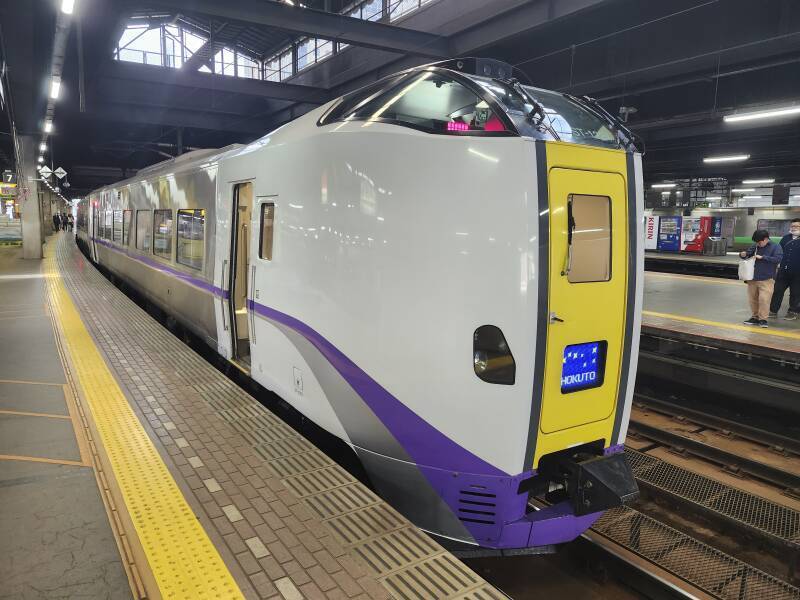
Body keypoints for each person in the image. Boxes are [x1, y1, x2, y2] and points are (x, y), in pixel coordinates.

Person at [740, 229, 783, 328]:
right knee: (753, 299)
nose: (758, 244)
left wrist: (763, 257)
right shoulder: (755, 245)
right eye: (756, 242)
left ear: (766, 239)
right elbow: (748, 254)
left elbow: (778, 259)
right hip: (752, 278)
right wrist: (743, 254)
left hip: (767, 278)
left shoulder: (776, 247)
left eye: (760, 242)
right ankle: (755, 317)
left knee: (764, 299)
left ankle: (763, 319)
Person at [769, 218, 800, 321]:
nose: (794, 228)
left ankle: (792, 312)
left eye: (796, 226)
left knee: (795, 293)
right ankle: (773, 311)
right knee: (777, 291)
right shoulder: (786, 238)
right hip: (783, 271)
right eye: (792, 226)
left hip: (798, 273)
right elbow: (779, 250)